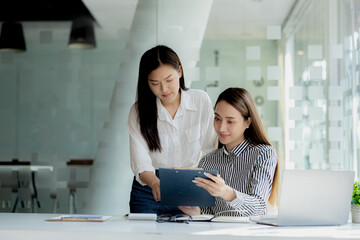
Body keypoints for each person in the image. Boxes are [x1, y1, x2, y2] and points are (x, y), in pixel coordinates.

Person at [128, 45, 217, 215]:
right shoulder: (138, 112)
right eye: (155, 83)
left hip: (188, 186)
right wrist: (155, 183)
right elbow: (141, 163)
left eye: (169, 80)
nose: (164, 89)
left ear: (180, 71)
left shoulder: (200, 101)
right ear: (146, 82)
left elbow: (212, 149)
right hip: (148, 191)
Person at [180, 87, 279, 217]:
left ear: (247, 122)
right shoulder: (207, 161)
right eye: (217, 119)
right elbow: (210, 211)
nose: (221, 128)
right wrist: (198, 212)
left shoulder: (263, 154)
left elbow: (258, 207)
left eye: (230, 121)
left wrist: (227, 192)